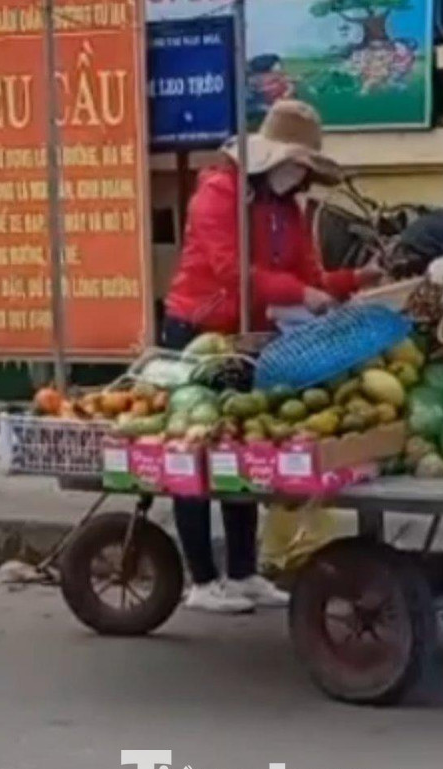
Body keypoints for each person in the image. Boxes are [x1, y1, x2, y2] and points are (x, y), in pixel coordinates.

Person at [162, 99, 381, 614]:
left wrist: (353, 282)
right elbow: (231, 269)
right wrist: (302, 296)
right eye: (299, 162)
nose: (302, 174)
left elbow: (310, 278)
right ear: (274, 159)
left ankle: (241, 572)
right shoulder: (217, 195)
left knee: (240, 451)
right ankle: (202, 580)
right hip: (199, 330)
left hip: (252, 340)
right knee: (194, 447)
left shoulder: (289, 210)